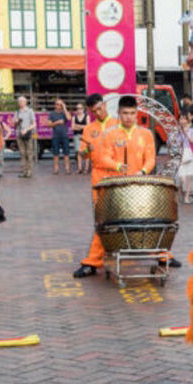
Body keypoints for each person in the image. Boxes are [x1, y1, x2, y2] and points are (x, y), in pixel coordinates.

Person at [99, 95, 182, 269]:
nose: (129, 117)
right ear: (118, 113)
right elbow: (103, 158)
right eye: (125, 113)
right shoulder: (110, 134)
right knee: (107, 223)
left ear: (137, 113)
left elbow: (151, 158)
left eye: (132, 113)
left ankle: (163, 255)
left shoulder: (146, 134)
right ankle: (93, 261)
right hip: (117, 186)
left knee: (154, 219)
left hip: (141, 185)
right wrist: (117, 165)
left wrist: (142, 172)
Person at [73, 93, 119, 278]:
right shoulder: (89, 129)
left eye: (100, 108)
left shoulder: (117, 124)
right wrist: (86, 151)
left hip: (117, 174)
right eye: (94, 111)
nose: (98, 112)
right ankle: (93, 261)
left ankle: (161, 255)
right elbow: (82, 154)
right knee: (101, 219)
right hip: (99, 176)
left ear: (105, 105)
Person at [177, 112, 193, 204]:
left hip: (189, 154)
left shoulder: (191, 131)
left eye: (184, 119)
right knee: (181, 178)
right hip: (180, 154)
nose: (182, 121)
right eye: (181, 119)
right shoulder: (176, 131)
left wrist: (187, 134)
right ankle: (179, 191)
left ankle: (187, 196)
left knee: (189, 176)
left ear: (187, 120)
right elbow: (174, 143)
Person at [13, 96, 36, 178]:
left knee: (29, 153)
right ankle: (23, 171)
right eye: (19, 102)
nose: (20, 103)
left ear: (25, 102)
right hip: (19, 134)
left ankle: (29, 171)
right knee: (22, 153)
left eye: (22, 101)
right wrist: (16, 122)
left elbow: (34, 124)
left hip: (28, 134)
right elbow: (14, 125)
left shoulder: (30, 111)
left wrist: (26, 129)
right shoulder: (17, 112)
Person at [49, 99, 71, 175]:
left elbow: (69, 118)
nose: (59, 106)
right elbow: (49, 125)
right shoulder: (52, 113)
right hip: (56, 136)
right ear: (55, 105)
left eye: (60, 104)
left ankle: (67, 168)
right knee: (55, 153)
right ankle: (56, 169)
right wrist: (57, 122)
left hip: (64, 135)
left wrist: (64, 108)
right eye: (57, 104)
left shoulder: (64, 113)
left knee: (66, 153)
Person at [72, 102, 89, 174]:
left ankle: (86, 168)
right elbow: (73, 127)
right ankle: (79, 168)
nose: (79, 110)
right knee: (79, 152)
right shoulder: (74, 117)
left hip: (85, 136)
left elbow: (88, 127)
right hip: (77, 136)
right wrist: (82, 127)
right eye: (77, 108)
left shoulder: (87, 116)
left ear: (83, 109)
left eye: (80, 108)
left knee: (86, 152)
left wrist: (77, 126)